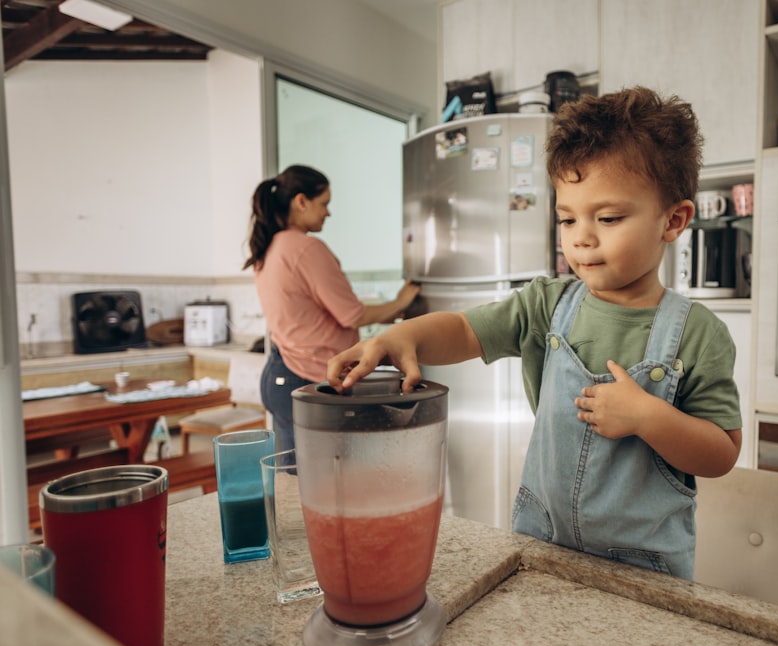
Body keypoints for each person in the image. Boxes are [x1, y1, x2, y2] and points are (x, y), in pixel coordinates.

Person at [326, 88, 742, 579]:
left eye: (608, 218)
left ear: (673, 220)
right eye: (567, 218)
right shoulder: (547, 304)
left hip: (646, 567)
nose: (581, 237)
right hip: (542, 547)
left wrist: (650, 418)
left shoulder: (698, 334)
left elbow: (722, 452)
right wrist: (404, 336)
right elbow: (464, 330)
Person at [245, 164, 420, 451]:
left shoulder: (271, 247)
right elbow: (353, 315)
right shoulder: (306, 248)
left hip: (280, 374)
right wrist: (401, 301)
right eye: (324, 203)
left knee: (298, 483)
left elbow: (314, 311)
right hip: (307, 379)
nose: (328, 212)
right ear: (301, 201)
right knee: (327, 482)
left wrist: (395, 311)